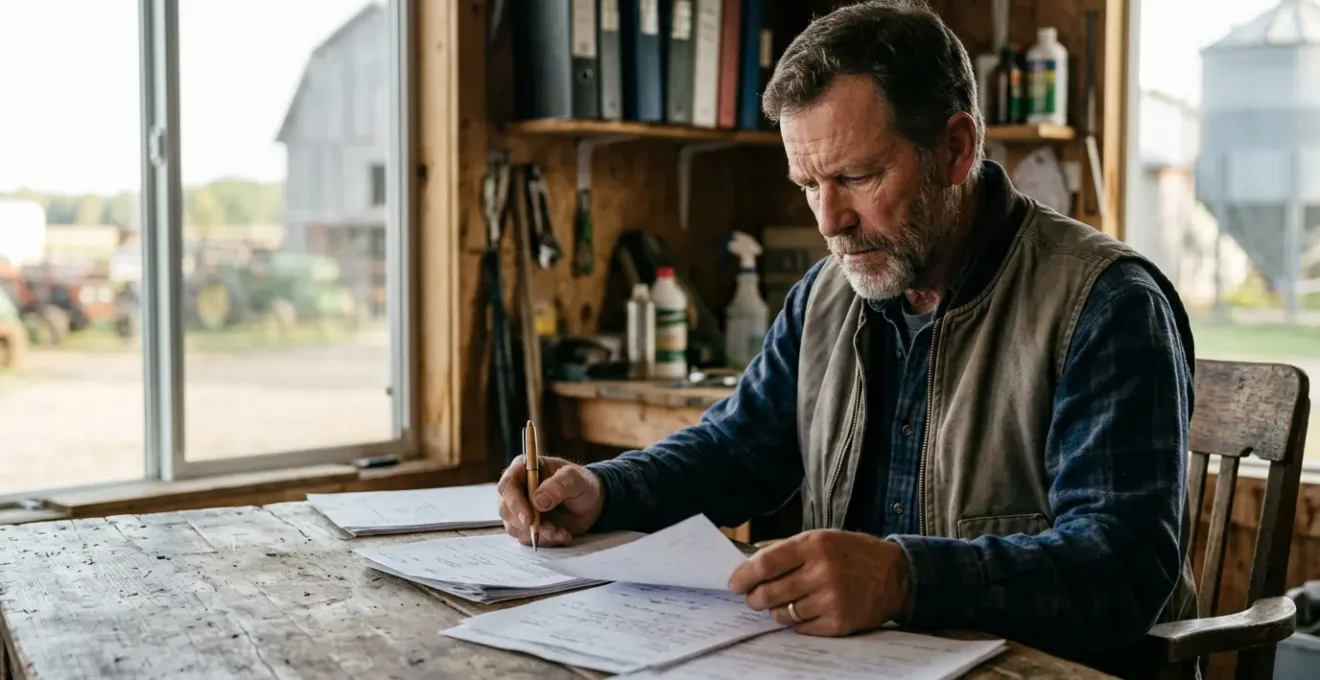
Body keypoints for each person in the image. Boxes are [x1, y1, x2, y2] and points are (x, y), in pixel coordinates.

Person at [497, 0, 1198, 672]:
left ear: (956, 149)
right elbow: (735, 450)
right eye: (808, 184)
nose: (829, 221)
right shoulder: (831, 292)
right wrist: (604, 489)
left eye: (856, 177)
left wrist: (904, 578)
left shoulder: (1105, 306)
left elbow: (1121, 566)